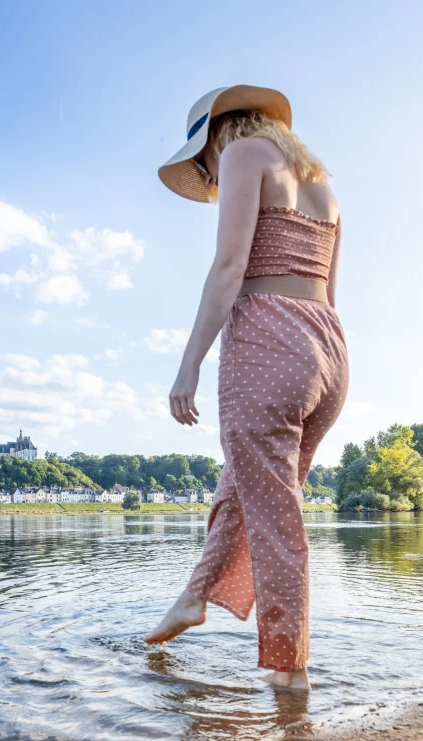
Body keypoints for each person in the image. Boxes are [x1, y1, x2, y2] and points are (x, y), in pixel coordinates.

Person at [144, 85, 348, 691]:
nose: (207, 172)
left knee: (276, 522)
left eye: (200, 160)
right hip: (330, 353)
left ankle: (290, 674)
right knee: (244, 490)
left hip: (268, 343)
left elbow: (230, 269)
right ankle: (194, 596)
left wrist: (189, 366)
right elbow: (330, 294)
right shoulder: (325, 188)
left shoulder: (242, 156)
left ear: (214, 136)